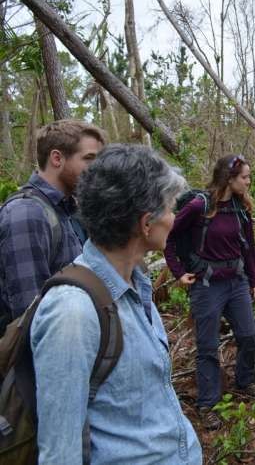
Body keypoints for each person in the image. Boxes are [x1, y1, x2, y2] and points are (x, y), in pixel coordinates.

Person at [30, 144, 202, 464]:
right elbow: (59, 451)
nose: (174, 218)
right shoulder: (74, 312)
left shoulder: (136, 285)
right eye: (170, 209)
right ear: (146, 223)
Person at [165, 154, 255, 430]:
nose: (248, 181)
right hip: (207, 286)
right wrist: (178, 272)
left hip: (237, 282)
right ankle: (207, 404)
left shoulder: (241, 208)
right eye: (244, 177)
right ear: (229, 179)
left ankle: (245, 380)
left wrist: (254, 280)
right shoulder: (200, 206)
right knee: (208, 347)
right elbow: (169, 237)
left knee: (249, 336)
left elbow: (249, 248)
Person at [0, 120, 106, 328]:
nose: (97, 169)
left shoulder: (67, 210)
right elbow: (30, 316)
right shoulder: (27, 213)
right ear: (57, 158)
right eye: (89, 159)